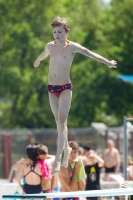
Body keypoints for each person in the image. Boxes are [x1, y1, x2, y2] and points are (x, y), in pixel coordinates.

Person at [33, 16, 117, 176]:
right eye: (54, 32)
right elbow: (44, 54)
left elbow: (90, 53)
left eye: (59, 32)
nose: (57, 35)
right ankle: (67, 148)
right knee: (58, 122)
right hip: (51, 88)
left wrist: (107, 62)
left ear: (67, 31)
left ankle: (59, 157)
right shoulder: (50, 46)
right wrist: (37, 61)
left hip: (65, 88)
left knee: (63, 119)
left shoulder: (72, 47)